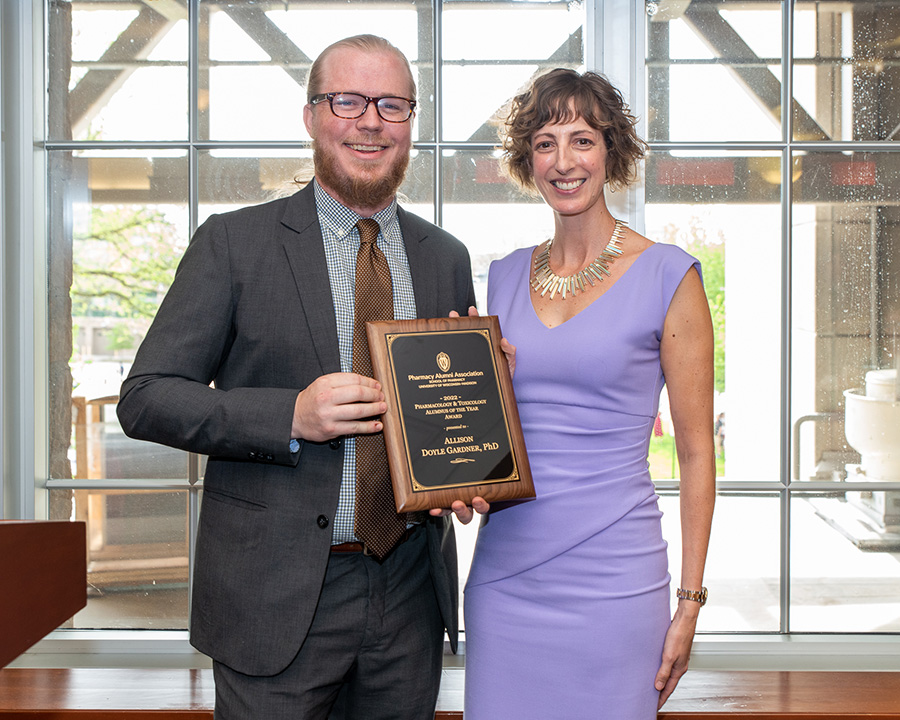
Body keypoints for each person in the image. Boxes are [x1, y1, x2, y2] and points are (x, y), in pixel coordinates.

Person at [117, 35, 485, 720]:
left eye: (391, 104)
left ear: (411, 121)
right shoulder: (233, 244)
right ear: (312, 116)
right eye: (347, 101)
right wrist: (289, 416)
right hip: (273, 600)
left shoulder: (446, 258)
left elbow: (448, 413)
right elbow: (145, 399)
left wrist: (464, 472)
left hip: (408, 595)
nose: (370, 121)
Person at [463, 68, 716, 719]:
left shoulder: (668, 274)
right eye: (545, 143)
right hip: (505, 578)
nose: (563, 161)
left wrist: (689, 602)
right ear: (527, 160)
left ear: (612, 150)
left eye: (582, 140)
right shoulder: (504, 275)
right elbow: (493, 437)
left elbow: (695, 454)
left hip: (615, 581)